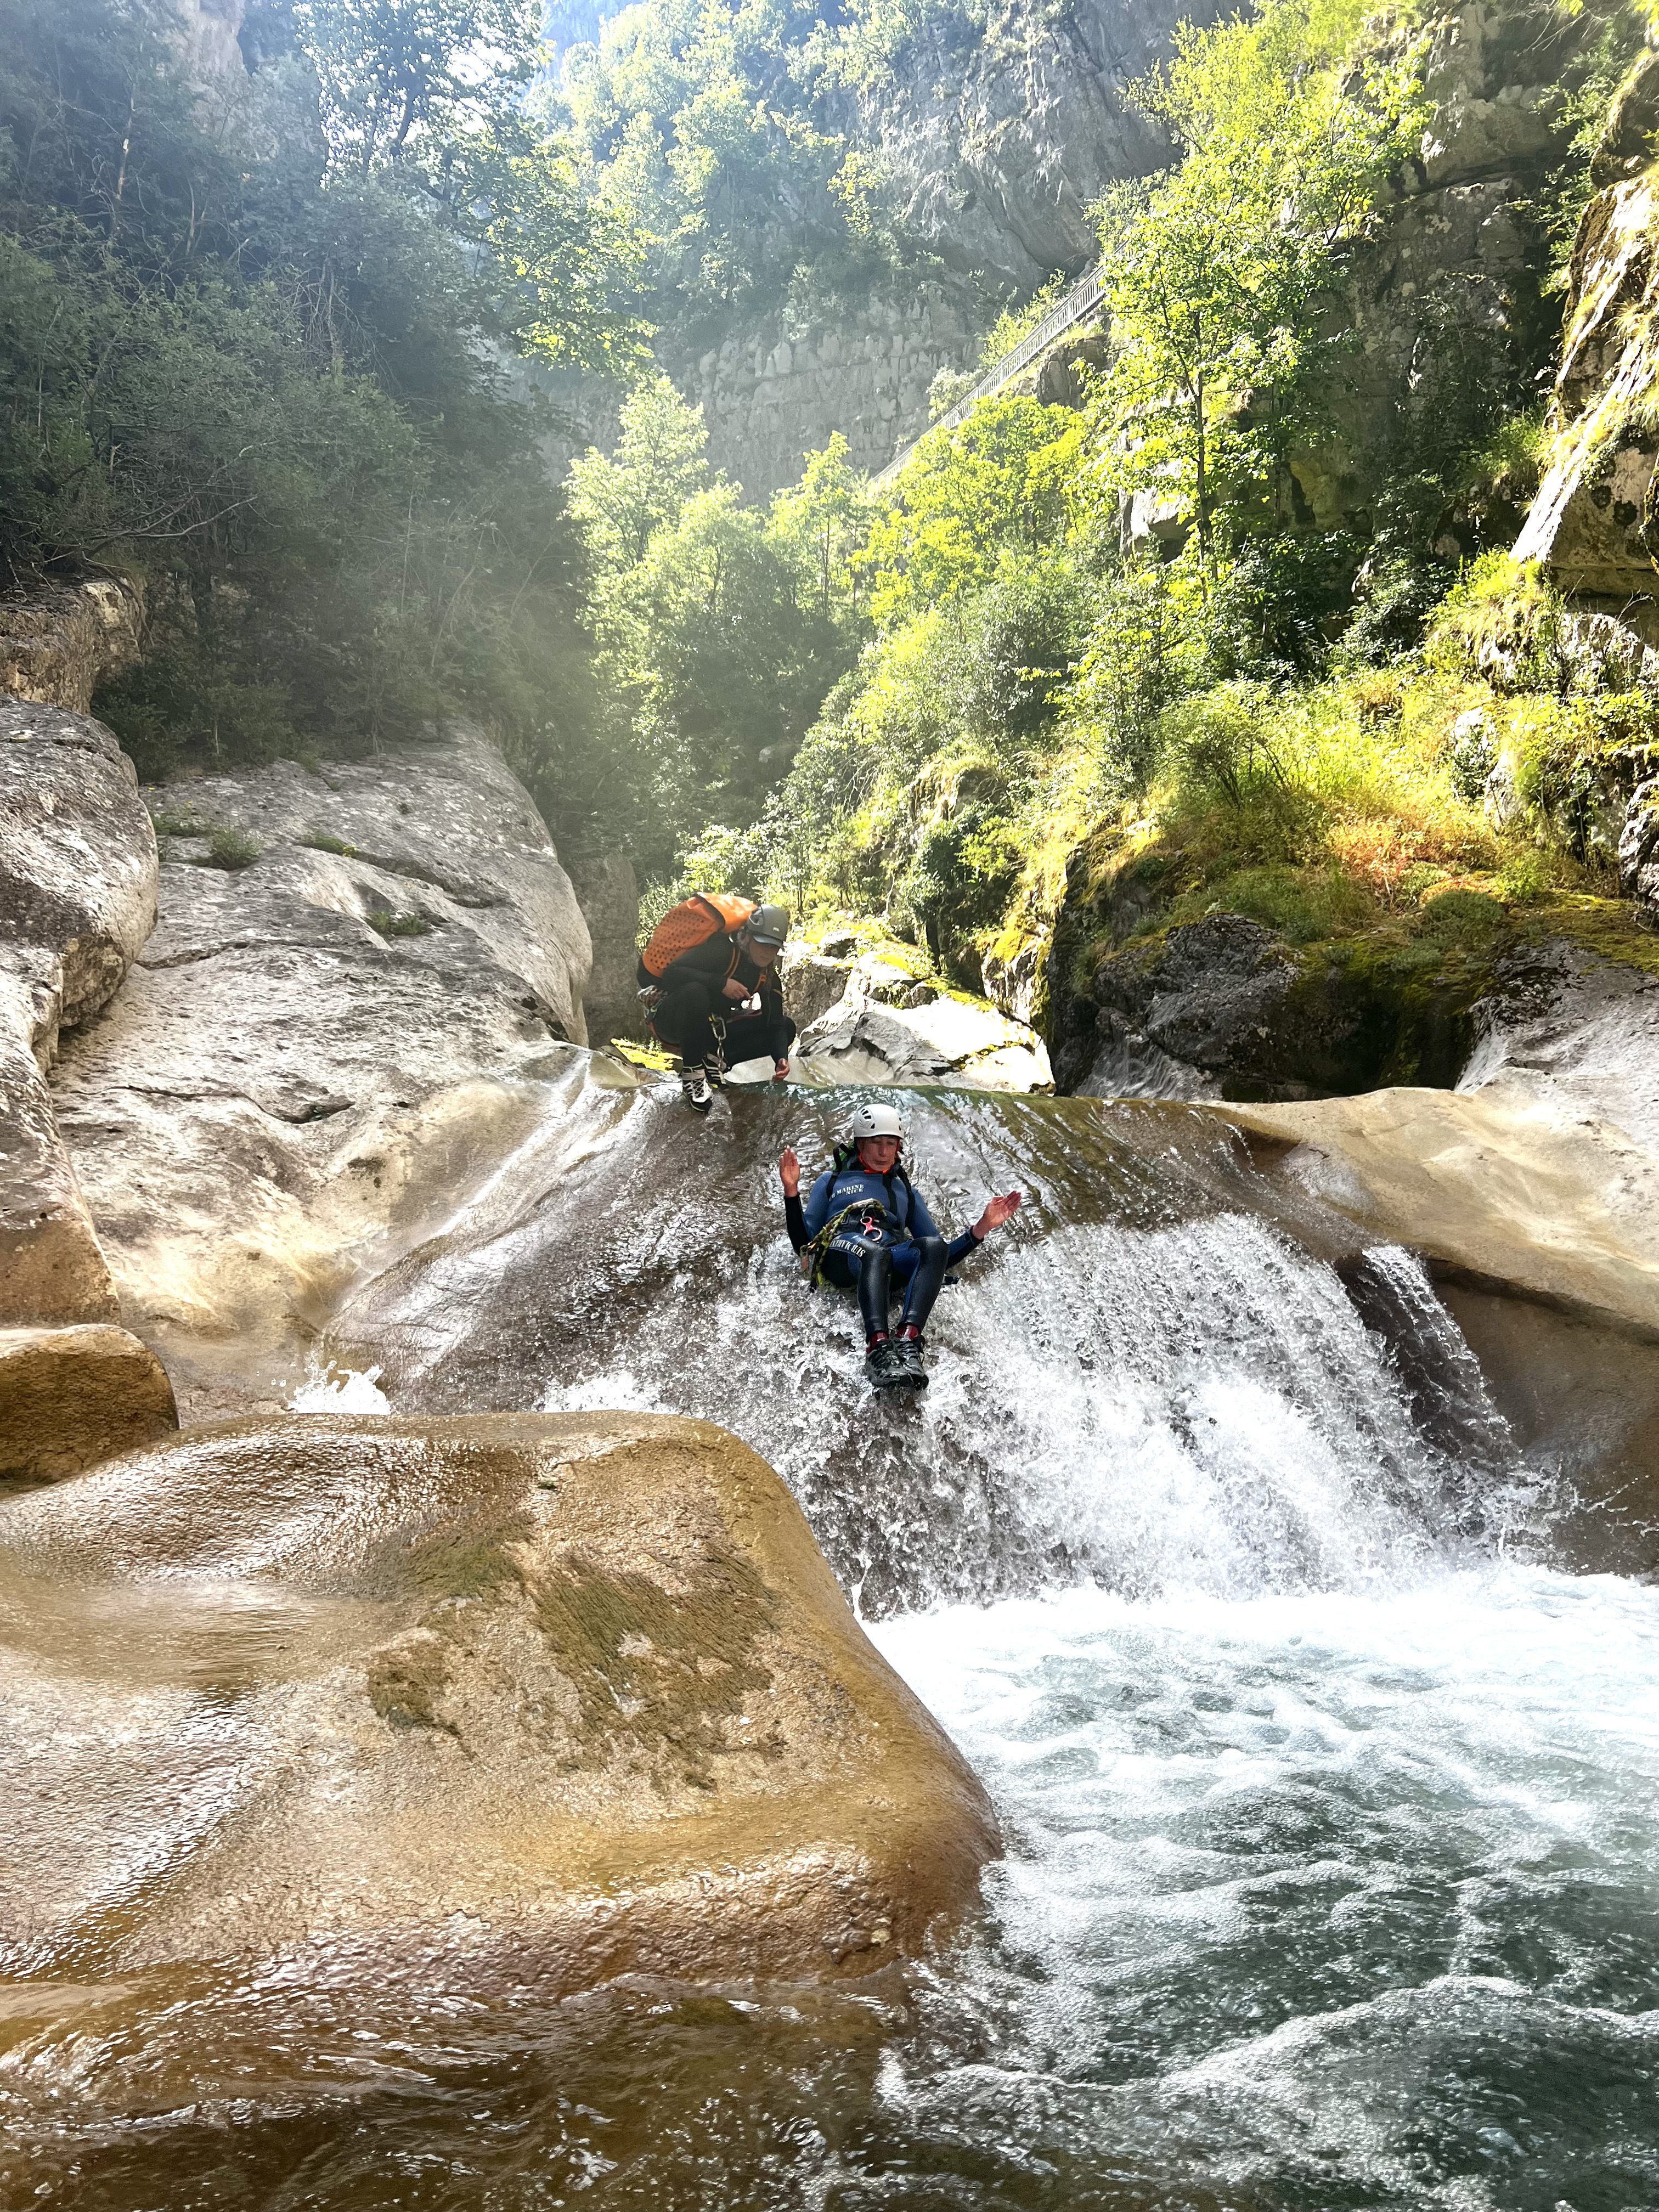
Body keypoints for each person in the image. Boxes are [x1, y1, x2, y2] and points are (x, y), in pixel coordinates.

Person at [779, 1101, 1022, 1390]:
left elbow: (938, 1256)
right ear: (860, 1145)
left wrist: (983, 1227)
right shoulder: (831, 1182)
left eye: (890, 1143)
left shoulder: (905, 1190)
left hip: (884, 1260)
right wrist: (791, 1190)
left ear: (898, 1147)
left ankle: (908, 1342)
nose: (883, 1152)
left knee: (930, 1246)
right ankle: (878, 1348)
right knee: (875, 1253)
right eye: (875, 1143)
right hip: (841, 1257)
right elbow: (804, 1243)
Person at [647, 902, 796, 1114]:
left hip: (710, 1032)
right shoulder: (723, 951)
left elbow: (776, 1023)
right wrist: (721, 983)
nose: (767, 952)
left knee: (787, 1026)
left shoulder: (767, 976)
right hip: (673, 1020)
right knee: (696, 992)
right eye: (762, 943)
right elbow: (672, 974)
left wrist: (781, 1056)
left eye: (773, 947)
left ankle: (716, 1060)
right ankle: (693, 1074)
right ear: (747, 937)